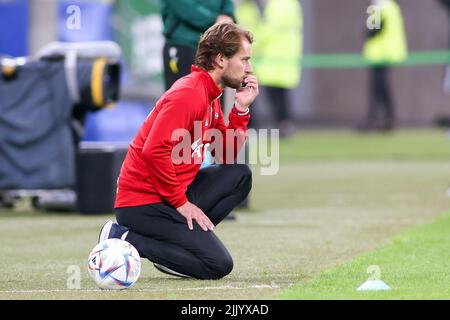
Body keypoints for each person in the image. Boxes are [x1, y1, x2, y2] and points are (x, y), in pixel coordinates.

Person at [97, 23, 259, 280]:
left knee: (239, 176)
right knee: (218, 265)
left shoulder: (210, 95)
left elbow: (225, 156)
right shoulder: (190, 93)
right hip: (143, 203)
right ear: (220, 59)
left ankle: (175, 251)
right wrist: (181, 204)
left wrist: (241, 110)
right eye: (244, 59)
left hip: (170, 193)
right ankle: (125, 237)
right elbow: (154, 151)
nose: (249, 68)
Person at [236, 0, 303, 138]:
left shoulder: (278, 5)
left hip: (270, 56)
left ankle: (275, 125)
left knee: (272, 91)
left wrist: (252, 45)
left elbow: (268, 31)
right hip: (270, 56)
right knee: (272, 92)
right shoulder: (286, 5)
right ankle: (280, 125)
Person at [160, 0, 235, 90]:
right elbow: (186, 8)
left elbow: (227, 7)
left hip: (214, 48)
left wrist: (227, 16)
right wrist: (216, 20)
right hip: (183, 44)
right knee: (182, 98)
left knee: (213, 100)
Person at [360, 0, 408, 131]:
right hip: (388, 52)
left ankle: (374, 119)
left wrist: (365, 34)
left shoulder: (377, 6)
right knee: (383, 88)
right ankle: (388, 119)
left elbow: (373, 29)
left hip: (379, 54)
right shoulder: (391, 6)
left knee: (377, 88)